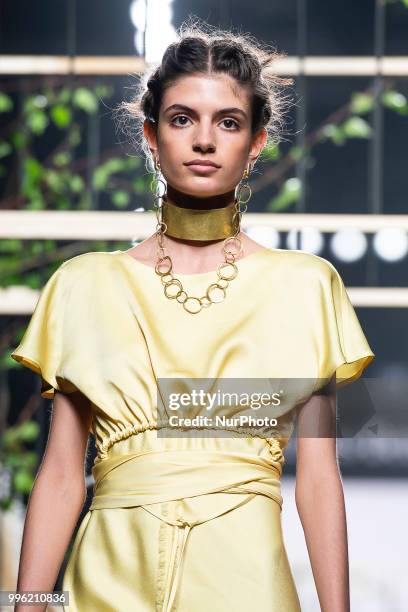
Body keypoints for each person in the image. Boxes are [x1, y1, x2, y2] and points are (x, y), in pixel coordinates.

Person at [11, 19, 375, 612]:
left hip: (247, 582)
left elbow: (317, 478)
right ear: (152, 136)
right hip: (106, 575)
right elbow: (58, 476)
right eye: (183, 119)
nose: (204, 140)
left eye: (227, 122)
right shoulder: (84, 284)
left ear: (256, 142)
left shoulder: (305, 286)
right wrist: (24, 606)